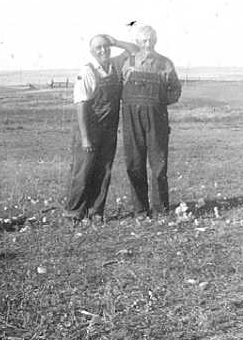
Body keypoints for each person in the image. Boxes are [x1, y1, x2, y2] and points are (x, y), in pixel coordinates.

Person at [64, 33, 137, 224]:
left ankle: (96, 211)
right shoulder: (87, 71)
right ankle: (74, 213)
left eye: (106, 46)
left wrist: (116, 41)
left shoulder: (115, 65)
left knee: (104, 170)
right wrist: (85, 138)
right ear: (91, 52)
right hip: (89, 129)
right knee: (83, 171)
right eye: (98, 48)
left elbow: (134, 50)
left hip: (109, 129)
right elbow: (81, 105)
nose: (103, 50)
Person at [121, 23, 181, 218]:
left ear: (156, 41)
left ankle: (160, 208)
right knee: (134, 163)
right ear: (138, 42)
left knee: (158, 164)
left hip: (157, 118)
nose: (148, 44)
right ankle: (140, 209)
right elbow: (120, 87)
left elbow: (176, 90)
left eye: (151, 40)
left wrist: (159, 102)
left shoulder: (165, 63)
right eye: (144, 41)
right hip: (132, 118)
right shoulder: (128, 62)